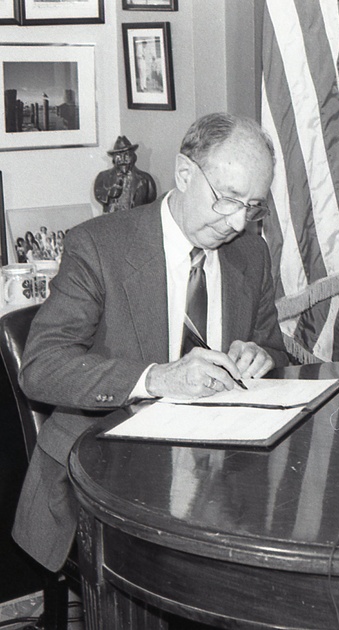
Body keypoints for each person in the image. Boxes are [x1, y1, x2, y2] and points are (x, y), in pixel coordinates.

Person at [13, 112, 290, 573]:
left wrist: (261, 355)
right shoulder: (99, 246)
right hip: (100, 471)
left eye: (254, 206)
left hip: (213, 469)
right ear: (184, 174)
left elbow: (274, 349)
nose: (239, 222)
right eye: (228, 199)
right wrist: (157, 378)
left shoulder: (251, 254)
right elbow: (41, 367)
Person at [93, 135, 158, 214]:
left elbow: (151, 202)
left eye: (126, 155)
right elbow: (99, 195)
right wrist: (110, 194)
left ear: (133, 157)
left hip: (137, 219)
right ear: (113, 159)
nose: (123, 159)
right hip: (112, 219)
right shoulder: (103, 177)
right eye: (118, 156)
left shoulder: (146, 179)